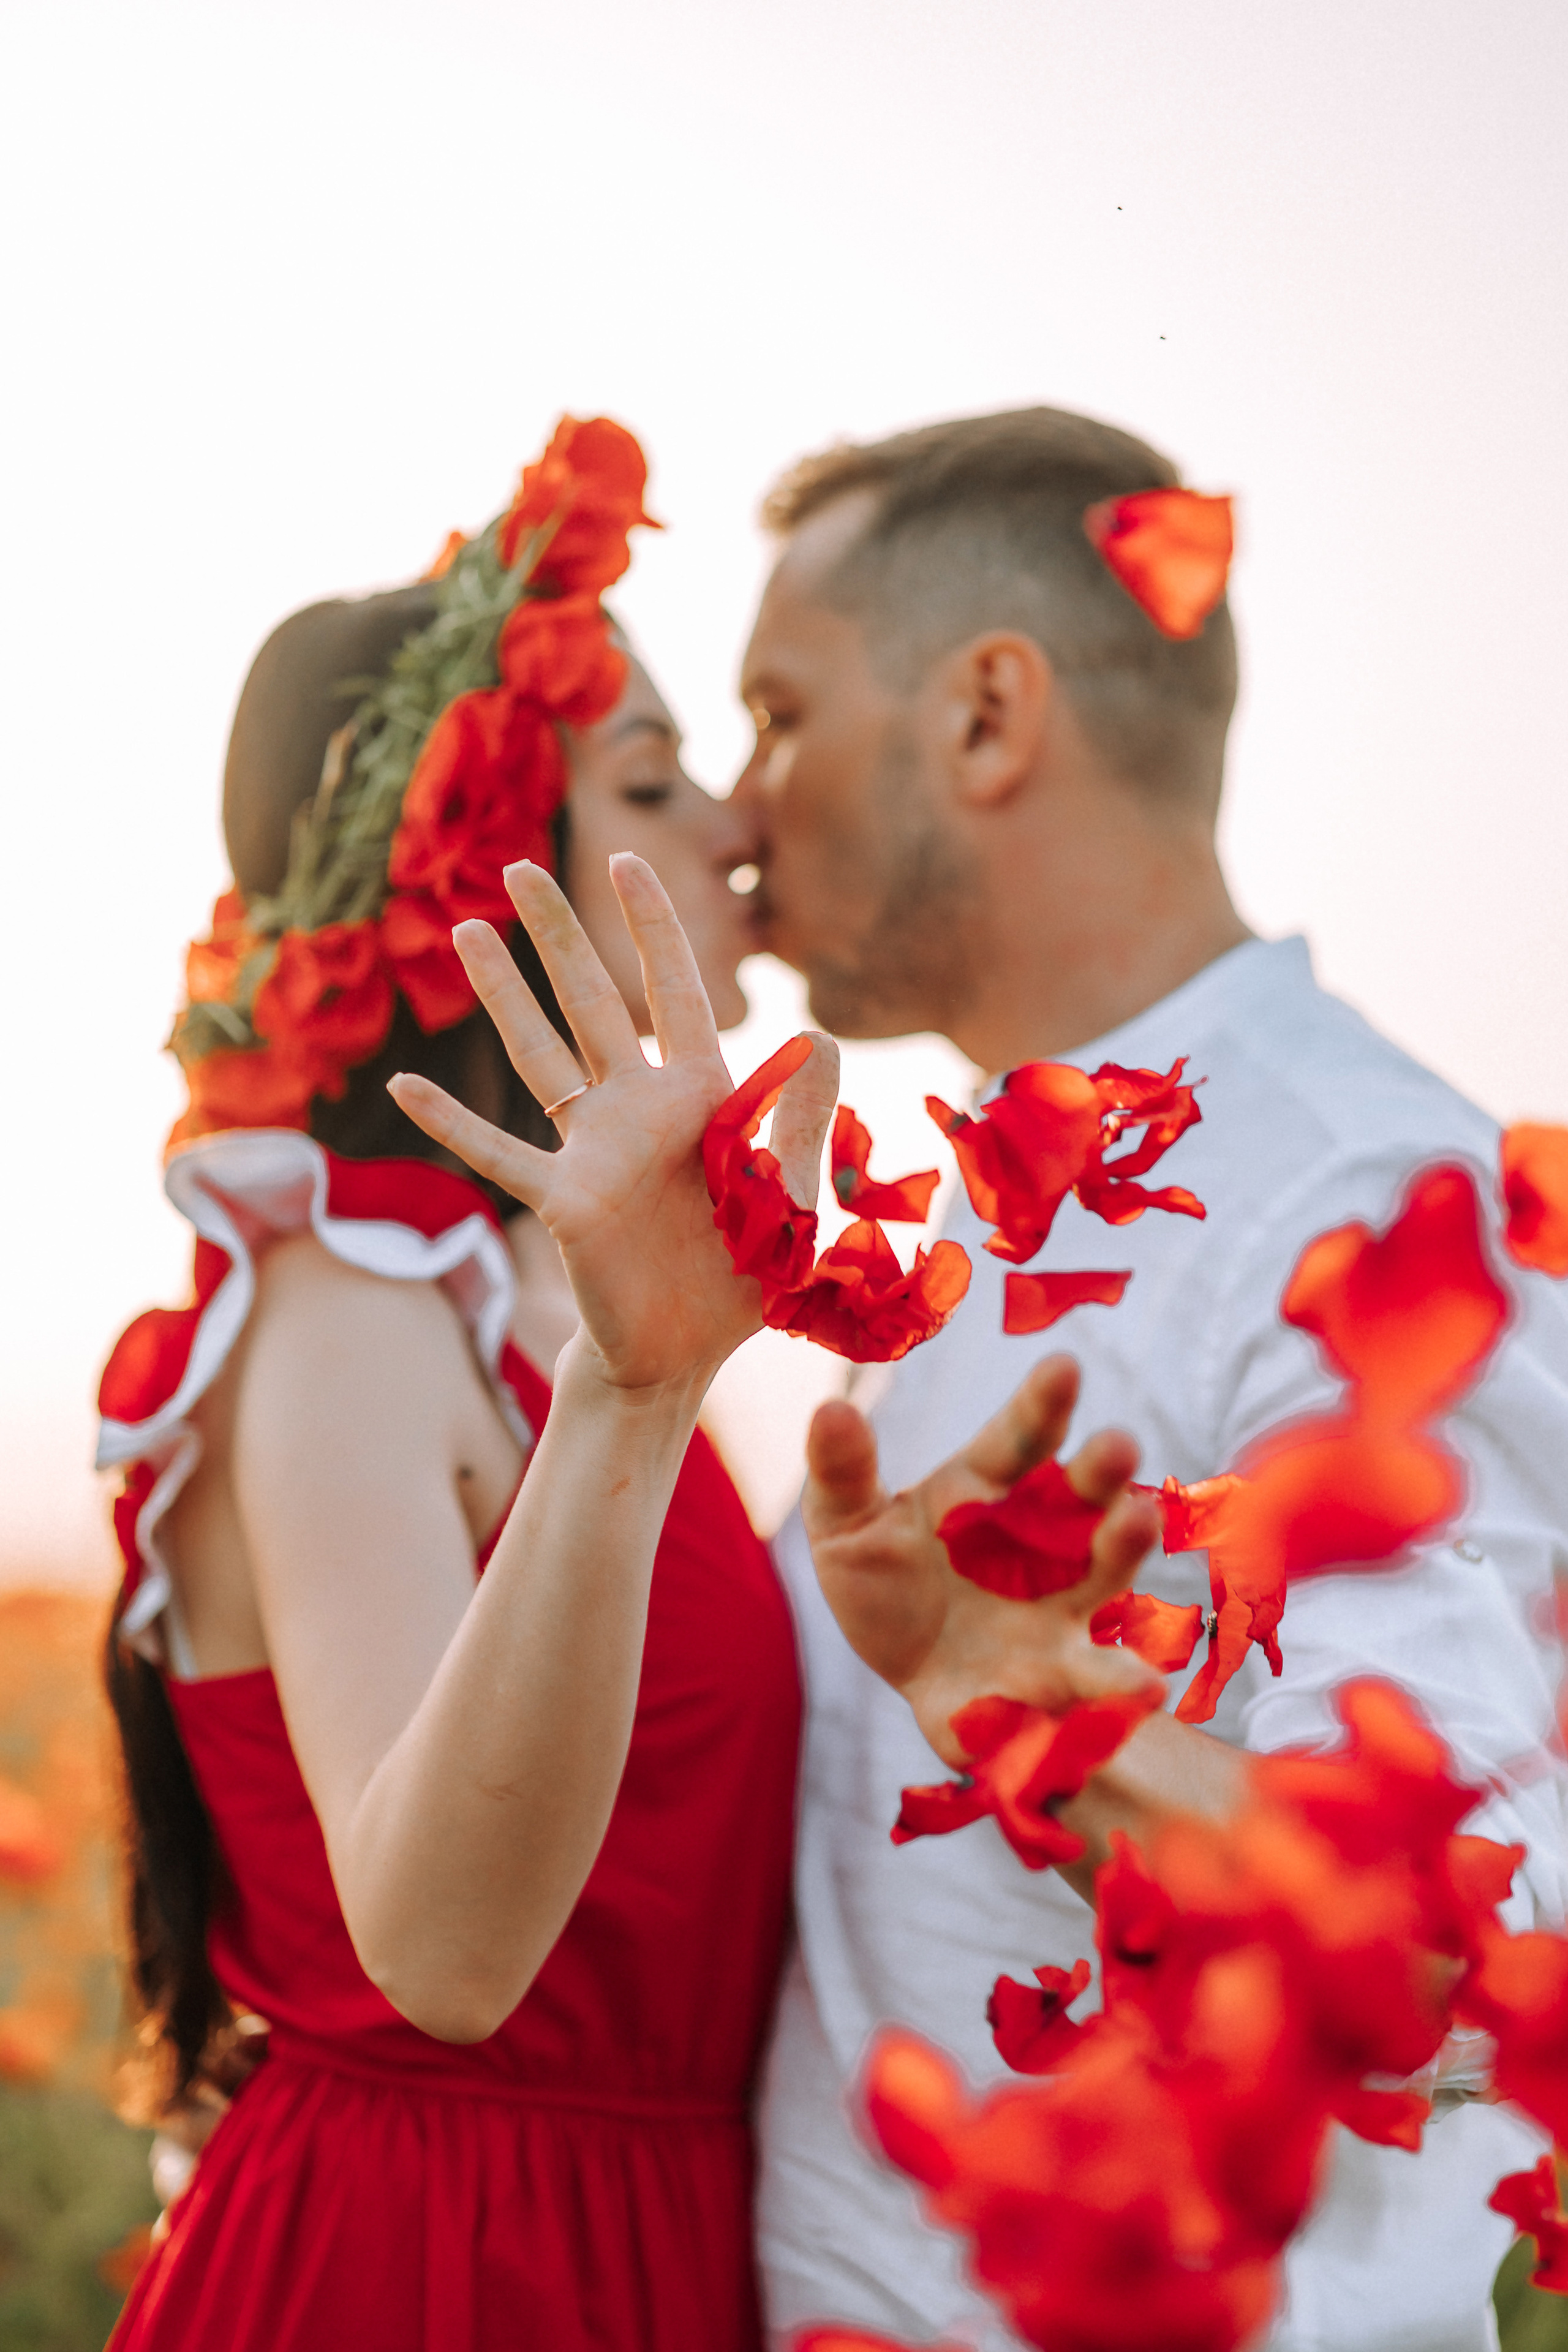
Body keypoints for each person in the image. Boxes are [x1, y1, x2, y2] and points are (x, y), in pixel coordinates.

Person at [733, 406, 1568, 2351]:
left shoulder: (1363, 1208)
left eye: (784, 712)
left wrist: (1051, 1725)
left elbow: (1480, 1949)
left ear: (986, 717)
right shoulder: (1001, 1234)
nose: (743, 803)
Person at [96, 422, 840, 2352]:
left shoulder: (557, 1300)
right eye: (656, 780)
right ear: (491, 853)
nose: (735, 829)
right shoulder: (355, 1310)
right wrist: (633, 1390)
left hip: (649, 2244)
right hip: (435, 2270)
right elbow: (439, 1954)